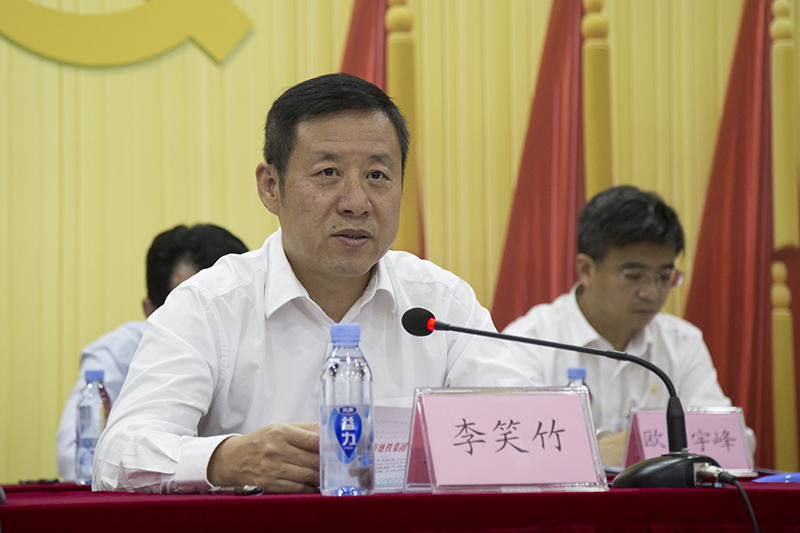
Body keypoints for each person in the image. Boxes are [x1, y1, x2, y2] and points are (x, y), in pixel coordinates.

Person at [93, 73, 530, 493]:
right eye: (328, 173)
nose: (356, 203)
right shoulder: (208, 306)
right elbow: (118, 456)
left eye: (377, 176)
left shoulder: (442, 305)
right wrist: (224, 460)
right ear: (271, 187)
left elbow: (524, 435)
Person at [503, 186, 748, 467]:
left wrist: (642, 444)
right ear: (586, 270)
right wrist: (594, 450)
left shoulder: (682, 343)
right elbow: (515, 446)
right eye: (634, 276)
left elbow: (732, 441)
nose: (652, 292)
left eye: (664, 276)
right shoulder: (528, 342)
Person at [56, 224, 248, 480]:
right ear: (150, 312)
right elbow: (76, 460)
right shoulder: (115, 355)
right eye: (189, 307)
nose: (209, 321)